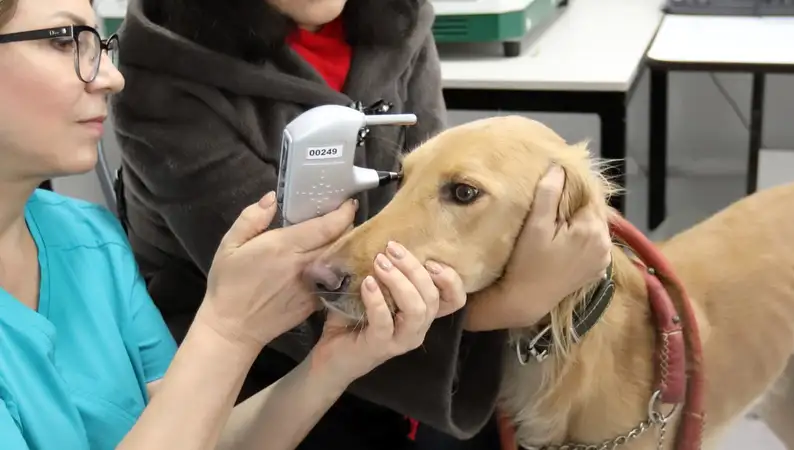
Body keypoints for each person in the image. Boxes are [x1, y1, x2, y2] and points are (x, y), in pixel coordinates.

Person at [110, 0, 614, 449]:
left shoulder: (399, 18)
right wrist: (515, 304)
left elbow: (439, 212)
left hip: (439, 337)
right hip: (263, 376)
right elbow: (286, 301)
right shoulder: (160, 76)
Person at [0, 0, 478, 449]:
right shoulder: (166, 96)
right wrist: (227, 330)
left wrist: (333, 363)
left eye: (99, 45)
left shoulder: (90, 241)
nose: (111, 78)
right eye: (64, 40)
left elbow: (196, 434)